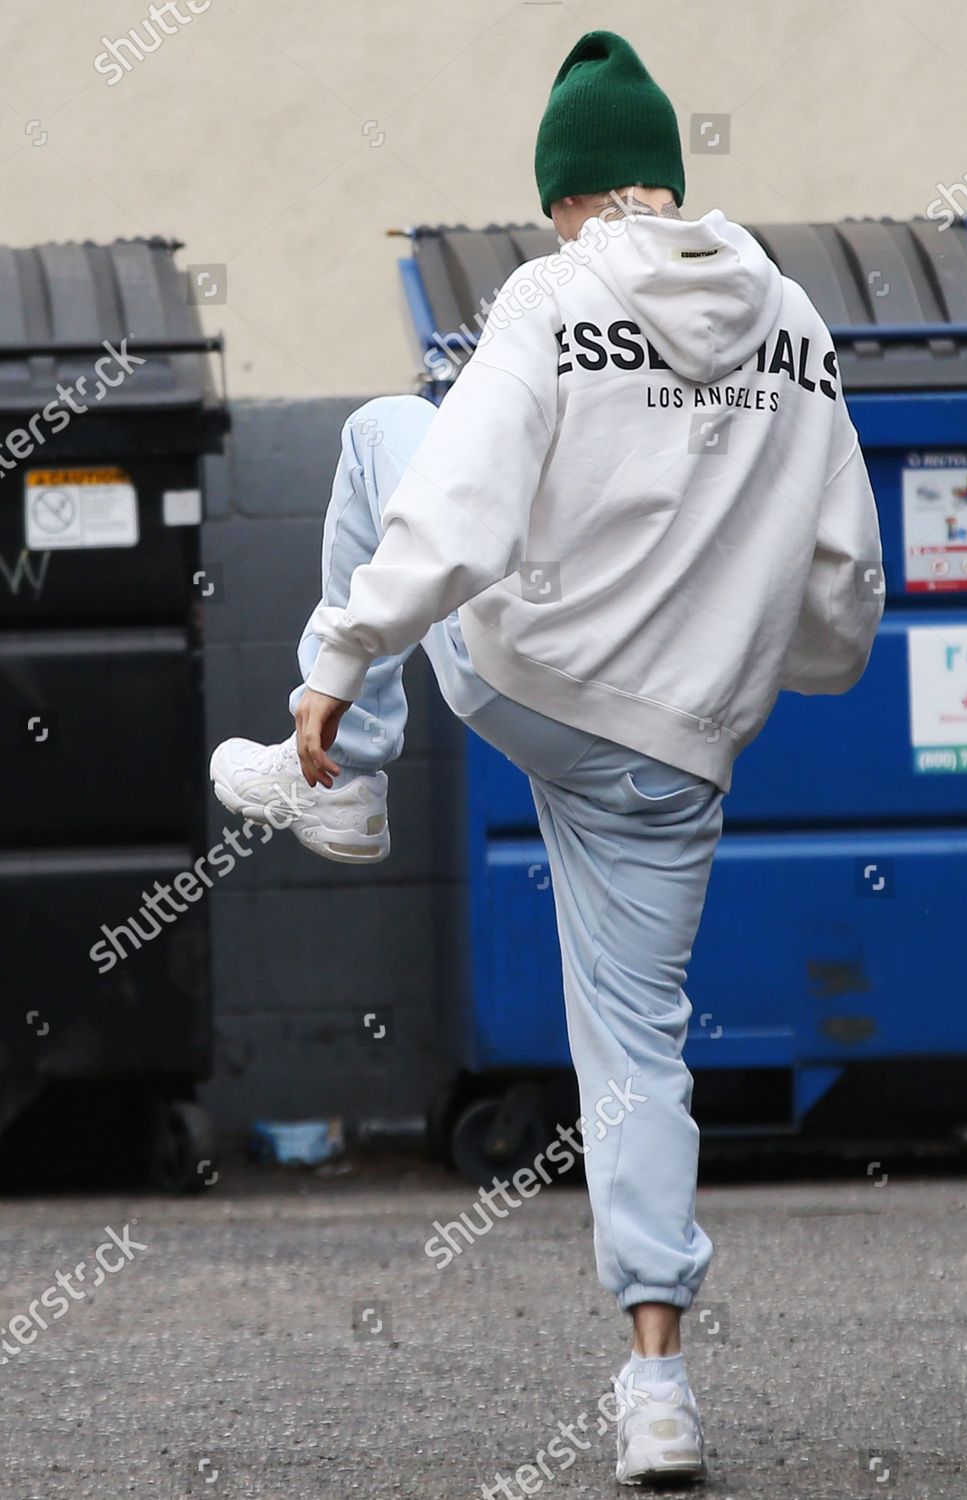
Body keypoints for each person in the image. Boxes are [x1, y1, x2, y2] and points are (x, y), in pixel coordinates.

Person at [210, 29, 883, 1487]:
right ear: (669, 177)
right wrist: (777, 671)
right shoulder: (792, 321)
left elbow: (451, 511)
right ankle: (658, 1385)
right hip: (677, 753)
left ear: (566, 192)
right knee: (639, 1050)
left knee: (392, 427)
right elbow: (842, 588)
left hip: (525, 682)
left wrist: (334, 669)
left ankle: (352, 781)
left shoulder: (550, 294)